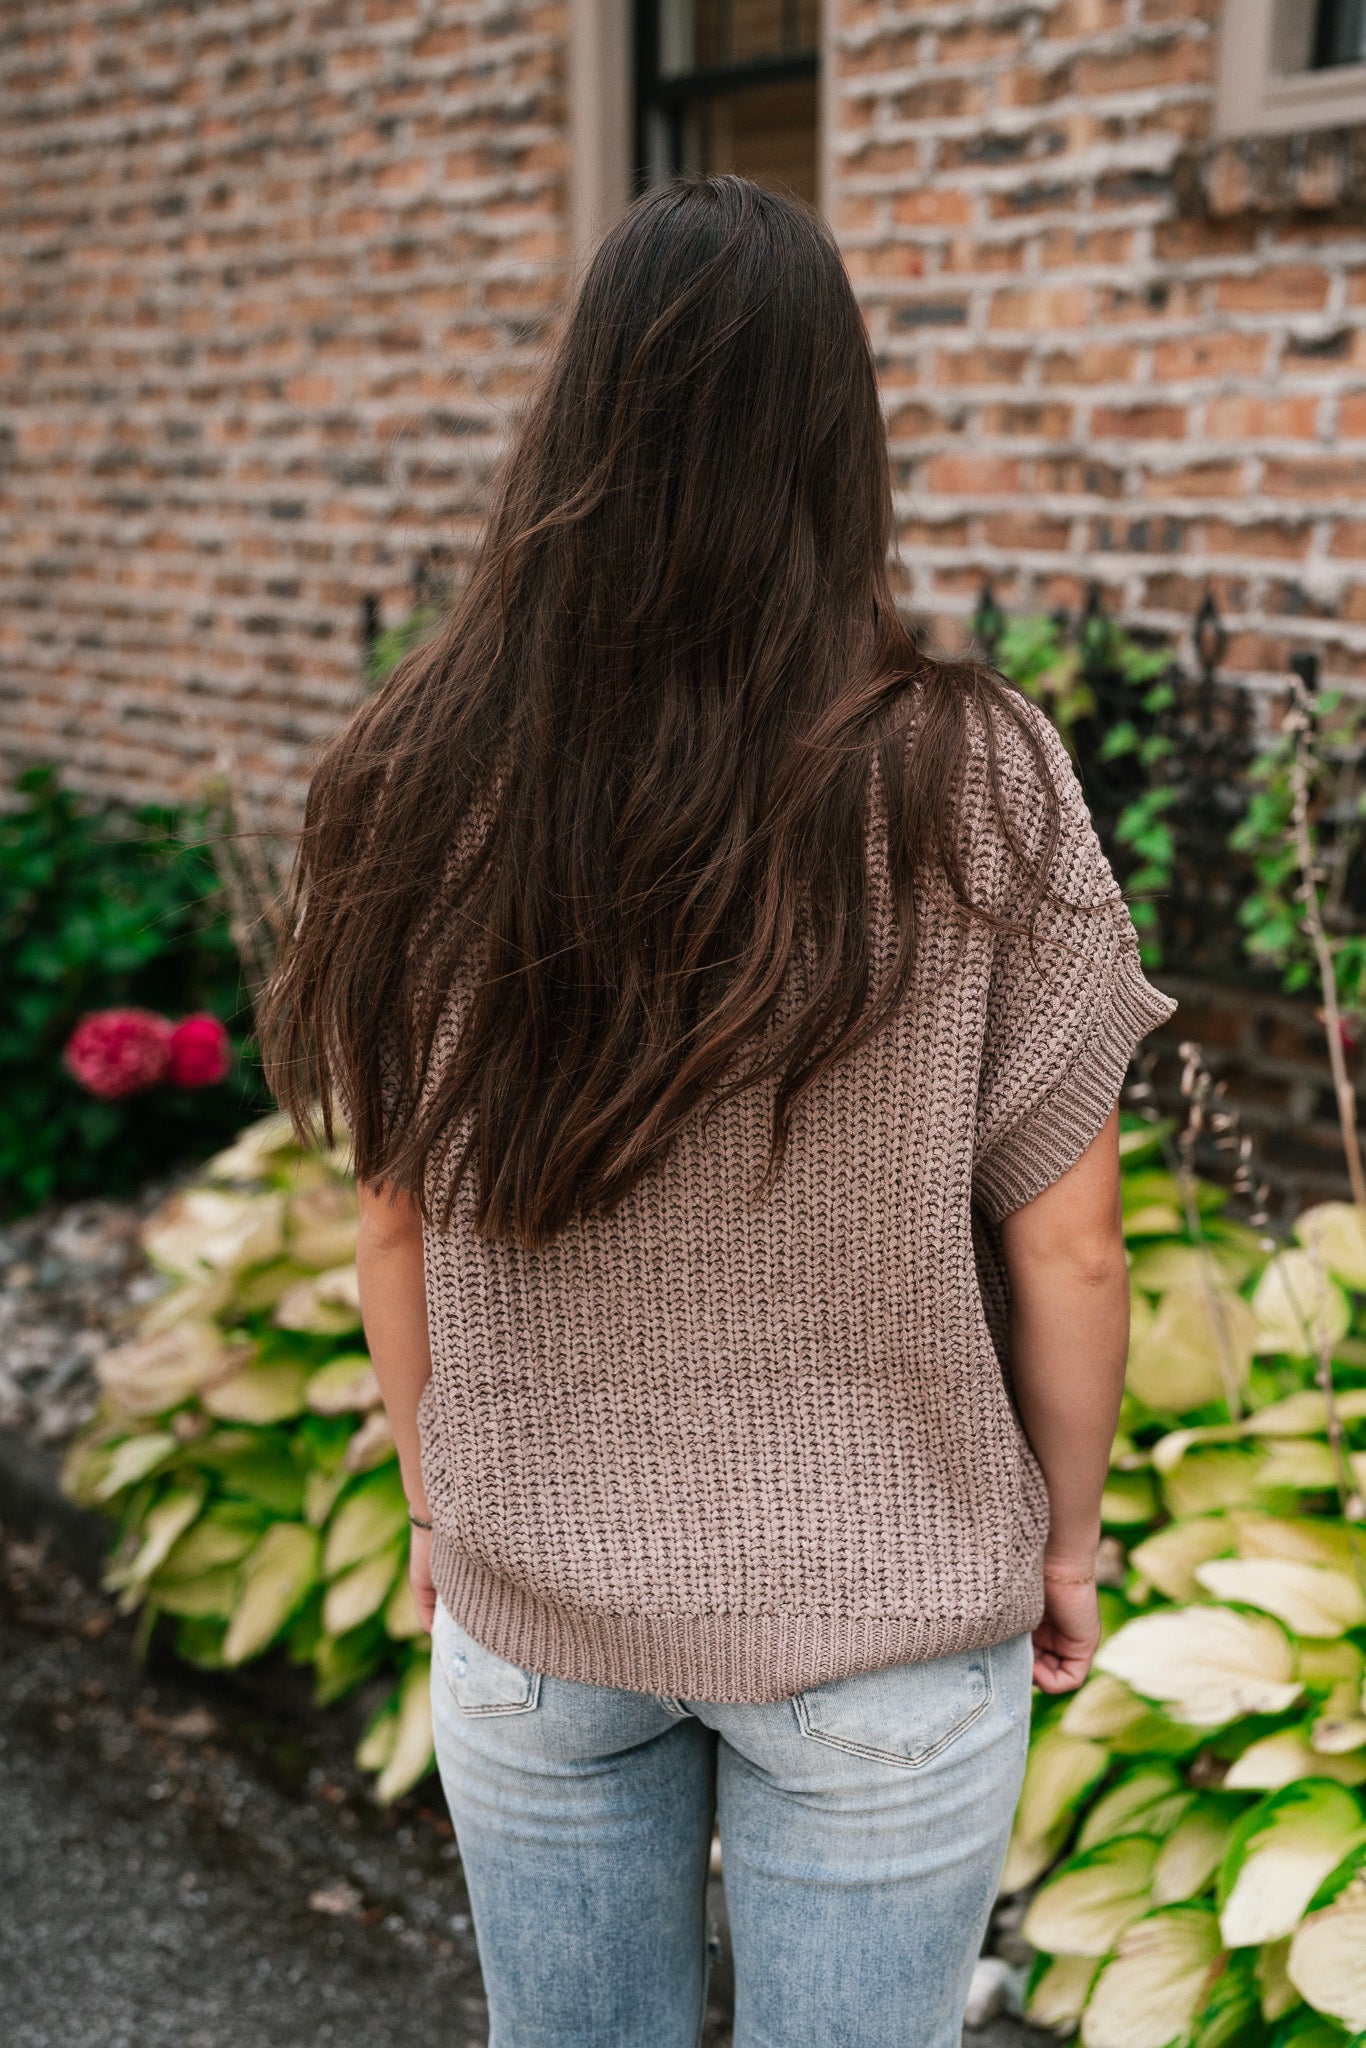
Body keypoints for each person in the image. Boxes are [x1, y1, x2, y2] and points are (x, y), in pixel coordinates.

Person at [264, 175, 1174, 2048]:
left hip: (536, 1616)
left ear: (573, 424)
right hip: (886, 1624)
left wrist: (445, 1506)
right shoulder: (974, 772)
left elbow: (393, 1220)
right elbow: (1068, 1245)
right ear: (838, 441)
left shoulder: (424, 769)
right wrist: (1063, 1547)